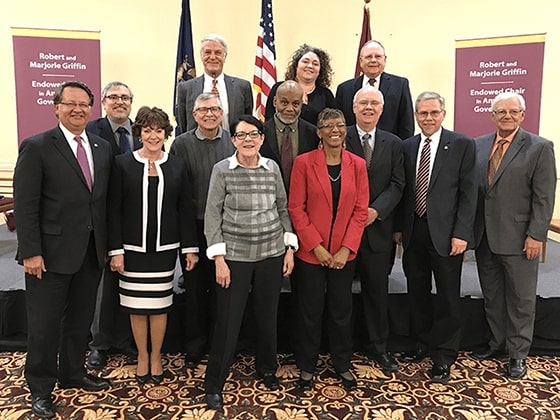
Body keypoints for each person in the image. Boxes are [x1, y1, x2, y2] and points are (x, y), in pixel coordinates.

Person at [13, 81, 113, 419]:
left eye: (84, 104)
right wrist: (30, 252)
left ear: (91, 108)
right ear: (56, 107)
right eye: (70, 104)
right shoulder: (37, 146)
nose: (78, 110)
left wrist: (107, 247)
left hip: (90, 250)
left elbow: (100, 203)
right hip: (48, 255)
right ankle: (40, 388)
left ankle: (73, 373)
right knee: (44, 325)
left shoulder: (101, 147)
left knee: (80, 320)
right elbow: (26, 205)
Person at [203, 115, 298, 410]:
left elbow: (282, 209)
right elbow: (212, 215)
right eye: (241, 135)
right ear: (233, 140)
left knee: (268, 317)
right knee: (228, 321)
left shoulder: (271, 168)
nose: (247, 140)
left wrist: (289, 248)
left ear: (261, 138)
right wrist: (218, 258)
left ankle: (267, 369)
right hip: (235, 257)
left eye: (253, 134)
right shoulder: (222, 170)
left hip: (270, 253)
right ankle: (214, 382)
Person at [107, 106, 199, 385]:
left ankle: (156, 355)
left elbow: (185, 209)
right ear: (139, 133)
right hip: (131, 251)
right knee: (137, 306)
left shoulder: (177, 164)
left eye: (159, 130)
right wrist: (116, 251)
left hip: (163, 250)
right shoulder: (122, 163)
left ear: (166, 133)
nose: (153, 135)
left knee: (159, 306)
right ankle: (142, 356)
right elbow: (113, 210)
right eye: (147, 130)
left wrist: (190, 248)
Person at [471, 92, 556, 379]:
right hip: (485, 238)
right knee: (492, 295)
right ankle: (498, 344)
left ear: (523, 114)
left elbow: (544, 198)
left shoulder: (540, 147)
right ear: (492, 115)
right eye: (501, 111)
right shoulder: (479, 145)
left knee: (521, 299)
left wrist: (536, 235)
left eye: (513, 111)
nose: (507, 116)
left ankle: (518, 354)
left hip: (520, 238)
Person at [394, 91, 477, 383]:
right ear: (416, 116)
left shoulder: (462, 144)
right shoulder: (406, 146)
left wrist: (462, 234)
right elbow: (403, 191)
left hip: (447, 234)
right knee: (416, 291)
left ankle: (444, 353)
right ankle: (421, 343)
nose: (428, 118)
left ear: (443, 114)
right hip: (413, 230)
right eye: (422, 114)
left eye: (433, 113)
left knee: (447, 296)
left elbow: (469, 193)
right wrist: (398, 229)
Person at [288, 108, 369, 391]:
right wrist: (316, 247)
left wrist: (346, 249)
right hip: (312, 253)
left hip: (344, 255)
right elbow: (295, 208)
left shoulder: (357, 164)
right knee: (309, 311)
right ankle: (307, 366)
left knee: (341, 311)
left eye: (339, 124)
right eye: (327, 125)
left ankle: (342, 364)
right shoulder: (303, 163)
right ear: (319, 132)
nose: (334, 129)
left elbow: (361, 211)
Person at [169, 92, 235, 369]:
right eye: (203, 110)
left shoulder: (234, 140)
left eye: (214, 109)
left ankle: (222, 344)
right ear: (193, 115)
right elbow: (177, 192)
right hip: (194, 227)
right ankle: (195, 346)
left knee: (224, 289)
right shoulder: (181, 144)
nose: (209, 114)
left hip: (228, 227)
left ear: (222, 113)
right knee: (195, 289)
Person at [345, 86, 405, 373]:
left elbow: (398, 184)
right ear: (354, 107)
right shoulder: (338, 137)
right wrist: (355, 213)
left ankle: (379, 347)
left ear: (381, 109)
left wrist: (376, 211)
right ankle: (341, 348)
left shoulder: (394, 143)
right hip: (343, 231)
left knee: (377, 292)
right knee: (340, 293)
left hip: (378, 229)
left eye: (374, 103)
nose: (368, 107)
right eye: (363, 103)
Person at [86, 81, 141, 370]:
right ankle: (100, 343)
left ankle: (125, 339)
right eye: (114, 97)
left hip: (137, 219)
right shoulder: (91, 131)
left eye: (125, 98)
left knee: (131, 283)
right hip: (102, 219)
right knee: (104, 286)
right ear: (104, 102)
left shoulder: (141, 132)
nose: (120, 102)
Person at [335, 40, 414, 139]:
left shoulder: (400, 85)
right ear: (360, 61)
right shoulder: (344, 89)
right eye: (368, 57)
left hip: (389, 150)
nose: (373, 60)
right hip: (352, 150)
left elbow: (407, 124)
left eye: (378, 56)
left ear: (384, 60)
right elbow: (339, 124)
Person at [176, 33, 253, 132]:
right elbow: (184, 126)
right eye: (208, 52)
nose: (212, 57)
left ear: (225, 56)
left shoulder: (242, 87)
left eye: (218, 53)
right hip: (197, 147)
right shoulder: (186, 88)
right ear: (201, 56)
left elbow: (246, 125)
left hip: (232, 146)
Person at [261, 80, 320, 191]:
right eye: (284, 102)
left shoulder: (313, 134)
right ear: (274, 102)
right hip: (269, 197)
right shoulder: (260, 133)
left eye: (296, 104)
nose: (289, 109)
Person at [264, 44, 337, 126]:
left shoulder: (326, 95)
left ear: (320, 70)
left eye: (315, 64)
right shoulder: (279, 88)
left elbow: (331, 124)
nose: (310, 66)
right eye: (305, 61)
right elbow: (269, 119)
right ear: (296, 65)